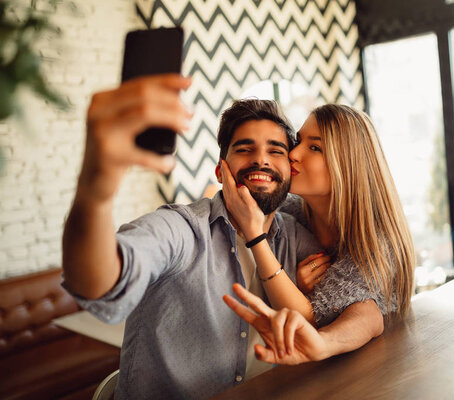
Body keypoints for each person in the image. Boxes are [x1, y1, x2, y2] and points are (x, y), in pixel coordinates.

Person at [62, 75, 383, 399]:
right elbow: (102, 281)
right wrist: (95, 193)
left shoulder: (294, 235)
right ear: (220, 171)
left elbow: (367, 312)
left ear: (288, 170)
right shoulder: (181, 229)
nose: (261, 159)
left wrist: (326, 343)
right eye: (245, 149)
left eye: (276, 150)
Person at [221, 103, 416, 361]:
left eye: (314, 147)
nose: (293, 153)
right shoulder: (289, 211)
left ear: (347, 166)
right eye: (298, 140)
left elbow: (316, 320)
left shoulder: (376, 245)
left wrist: (256, 237)